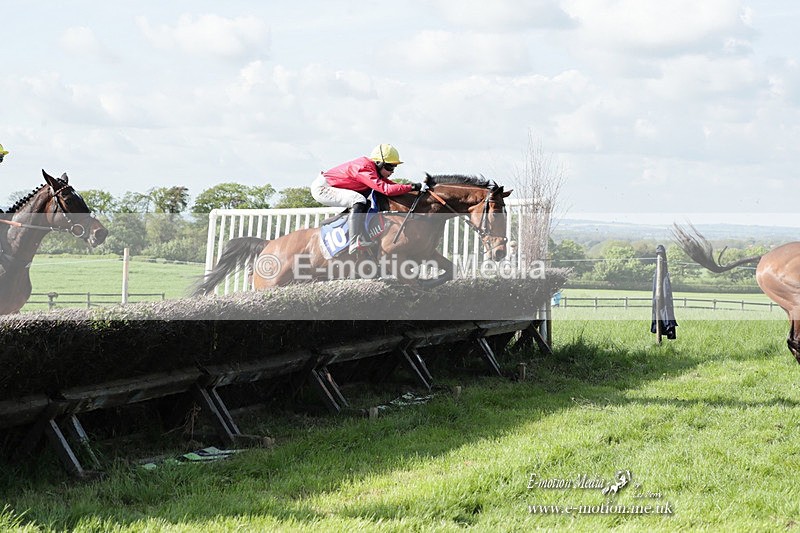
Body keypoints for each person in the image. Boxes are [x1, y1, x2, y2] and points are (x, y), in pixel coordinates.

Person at [311, 144, 426, 254]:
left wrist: (413, 188)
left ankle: (361, 235)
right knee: (359, 199)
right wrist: (412, 186)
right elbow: (386, 189)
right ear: (378, 163)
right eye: (390, 166)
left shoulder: (373, 169)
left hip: (330, 186)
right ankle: (354, 241)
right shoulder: (364, 168)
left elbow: (390, 184)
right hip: (322, 188)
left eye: (394, 167)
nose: (392, 171)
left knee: (365, 201)